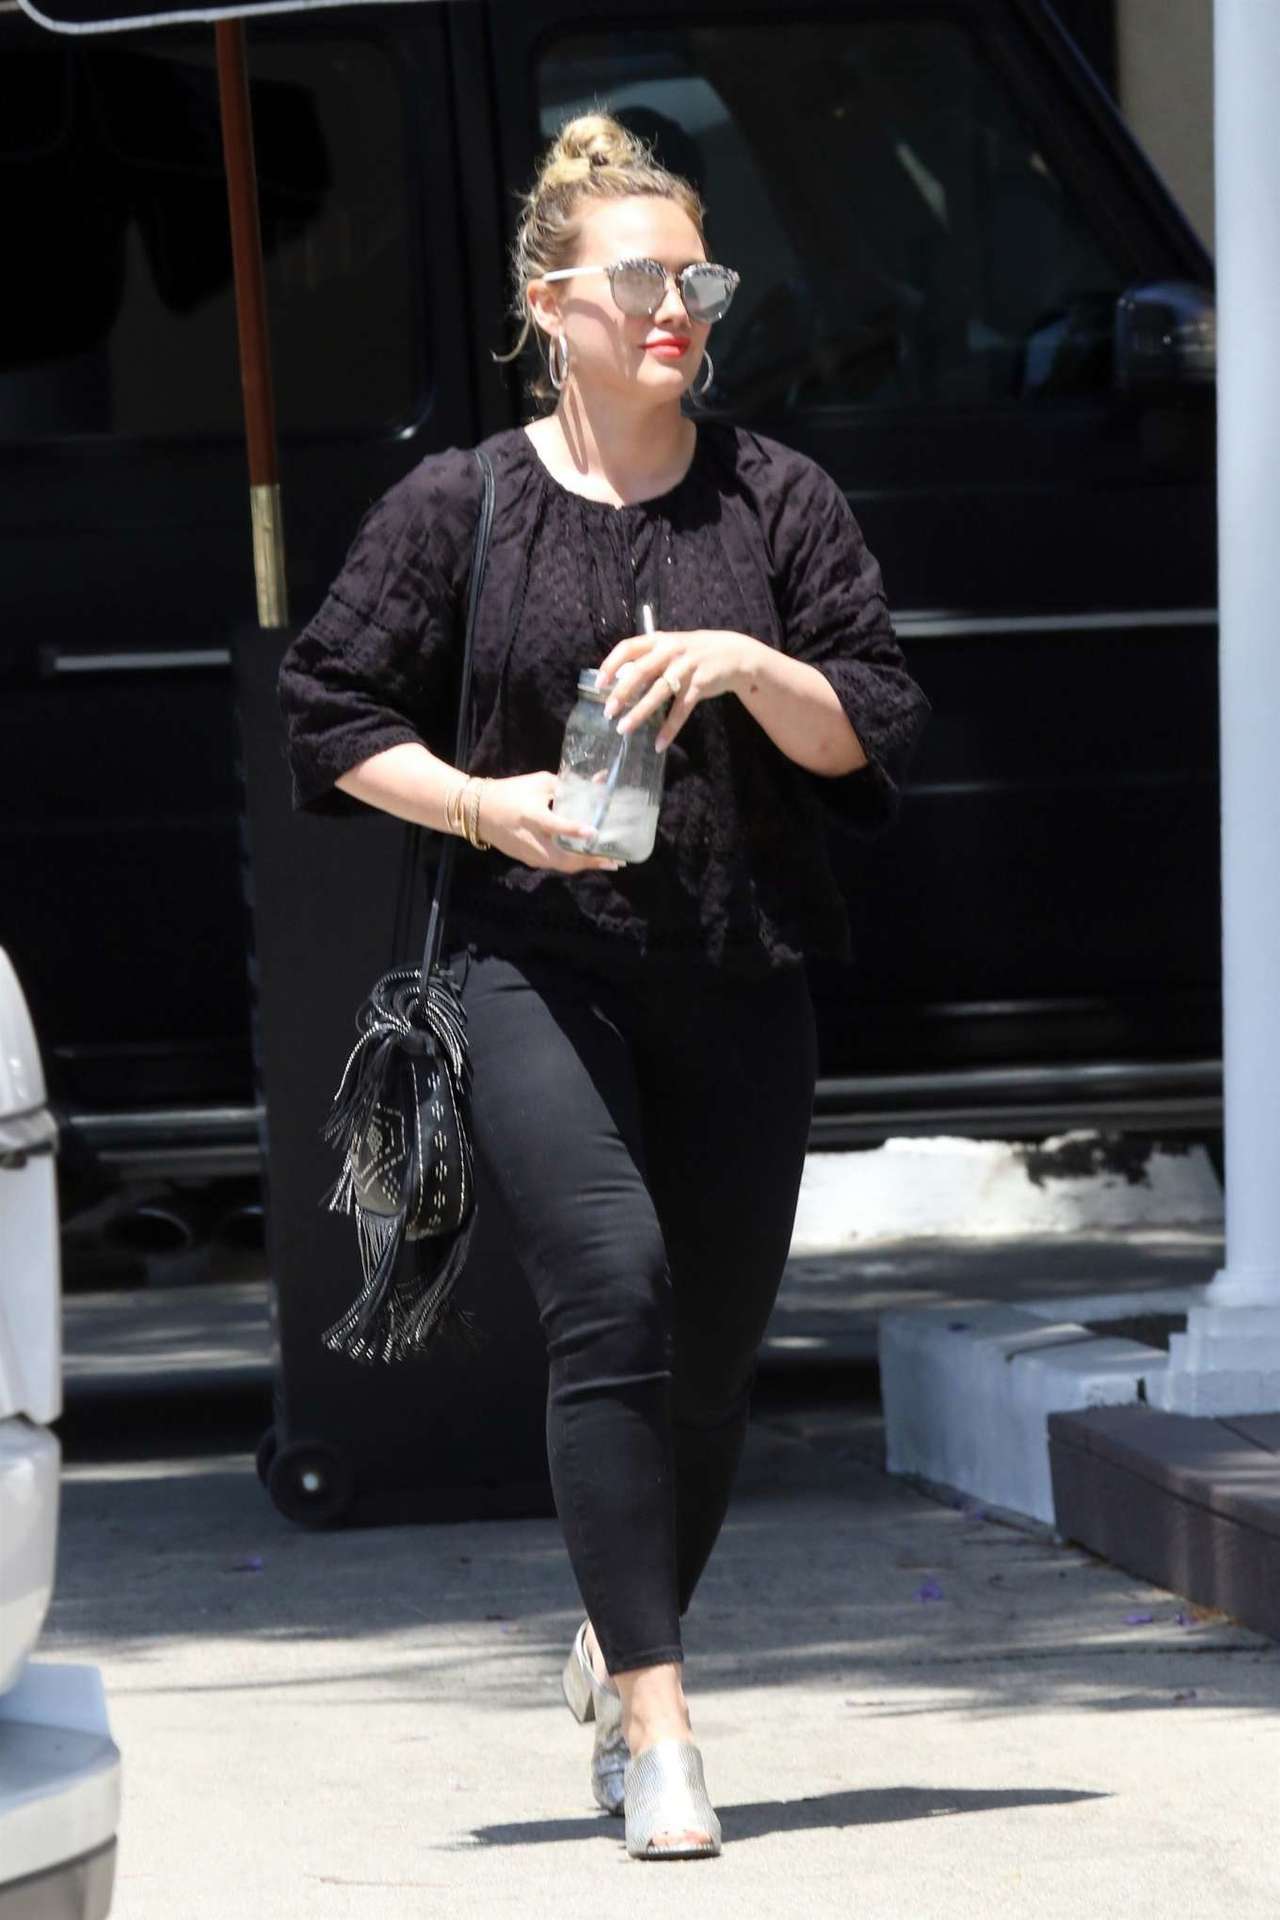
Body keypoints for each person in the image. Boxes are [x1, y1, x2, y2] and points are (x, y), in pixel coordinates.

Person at [277, 110, 930, 1862]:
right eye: (642, 281)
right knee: (616, 1295)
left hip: (739, 963)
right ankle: (660, 1728)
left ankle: (614, 1622)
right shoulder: (465, 502)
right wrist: (484, 805)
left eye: (700, 283)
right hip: (527, 960)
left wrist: (746, 662)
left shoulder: (774, 498)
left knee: (710, 1368)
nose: (677, 312)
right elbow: (329, 709)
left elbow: (873, 721)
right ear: (549, 306)